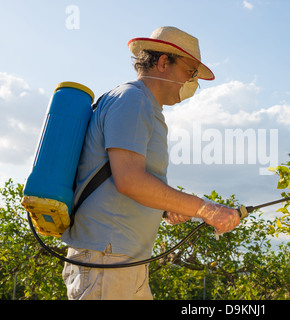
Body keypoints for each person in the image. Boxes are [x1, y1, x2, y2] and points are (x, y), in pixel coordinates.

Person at [61, 26, 240, 300]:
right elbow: (130, 179)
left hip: (121, 259)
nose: (190, 81)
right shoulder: (133, 100)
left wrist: (168, 209)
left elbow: (128, 180)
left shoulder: (140, 103)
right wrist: (206, 209)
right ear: (163, 62)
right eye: (189, 71)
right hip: (106, 260)